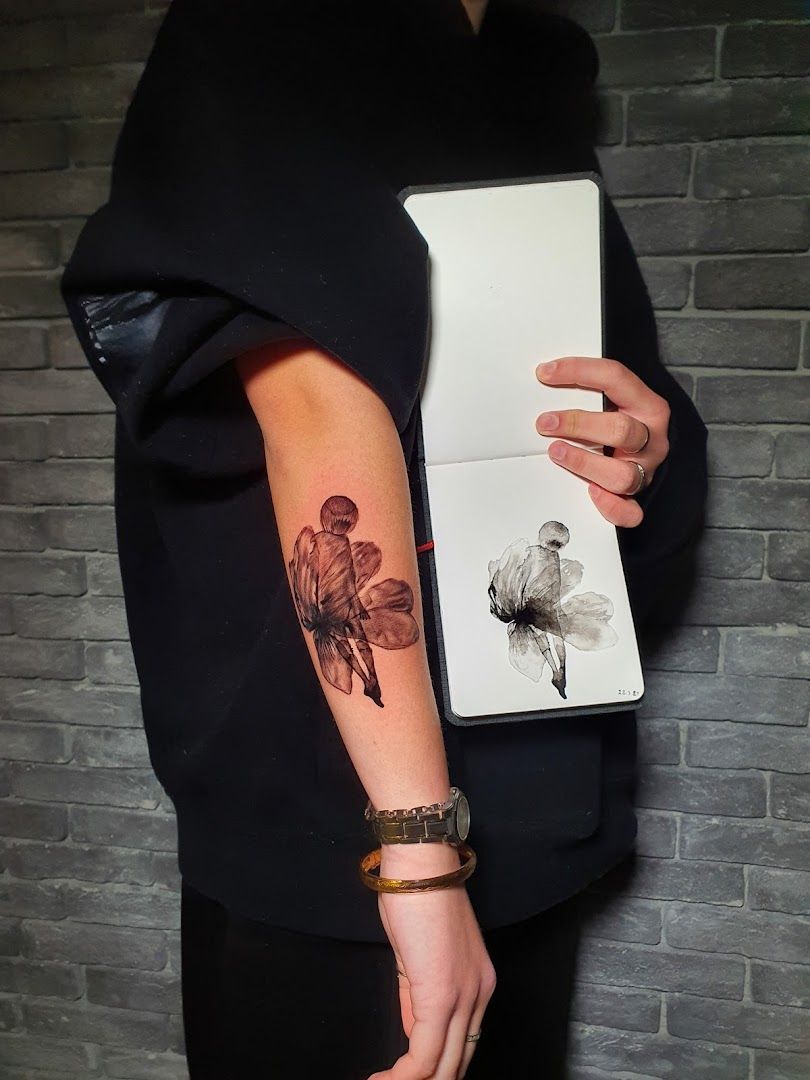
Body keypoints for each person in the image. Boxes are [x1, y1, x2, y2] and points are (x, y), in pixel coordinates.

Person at [59, 1, 709, 1077]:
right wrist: (416, 852)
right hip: (346, 823)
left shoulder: (527, 68)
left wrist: (637, 441)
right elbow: (318, 417)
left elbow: (560, 384)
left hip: (534, 777)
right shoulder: (267, 32)